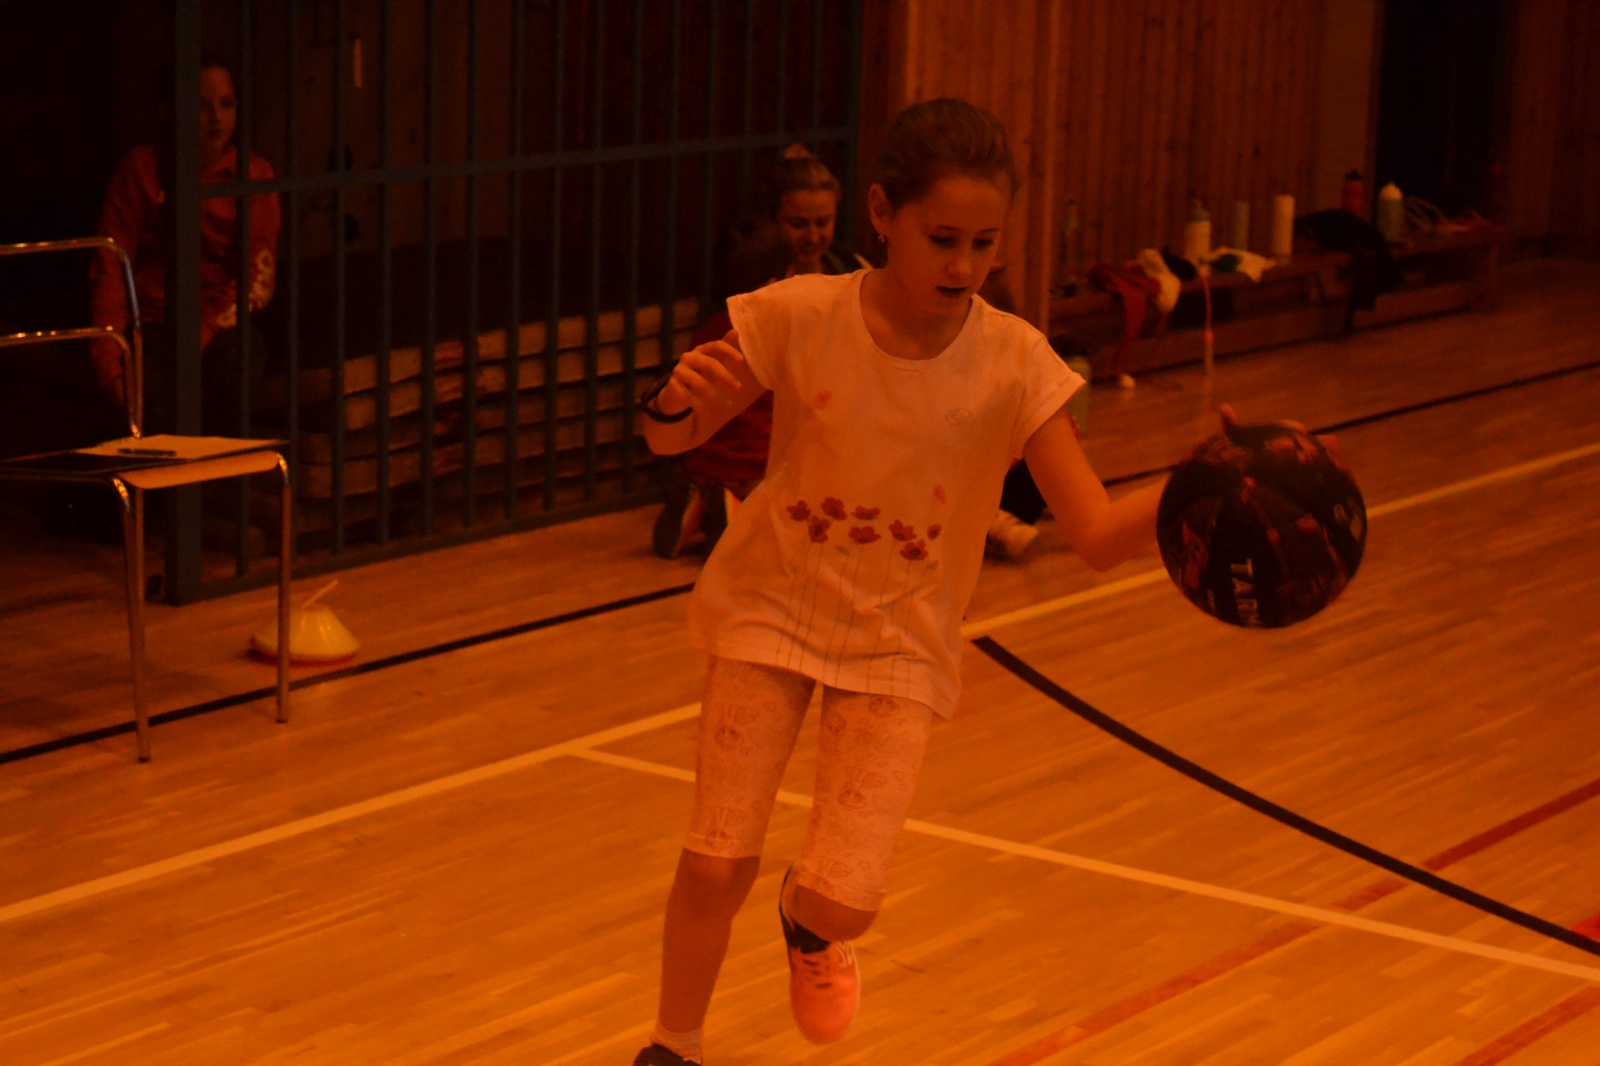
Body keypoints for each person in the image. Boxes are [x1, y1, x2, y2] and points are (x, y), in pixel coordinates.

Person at [629, 98, 1195, 1065]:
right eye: (943, 239)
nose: (964, 266)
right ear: (884, 214)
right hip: (771, 606)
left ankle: (809, 926)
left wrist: (1200, 487)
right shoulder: (799, 313)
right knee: (715, 856)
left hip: (898, 642)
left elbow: (1097, 535)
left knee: (845, 899)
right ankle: (673, 1044)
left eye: (984, 244)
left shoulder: (1016, 362)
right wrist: (672, 404)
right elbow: (669, 435)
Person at [652, 145, 860, 559]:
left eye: (823, 222)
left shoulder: (851, 271)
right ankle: (730, 509)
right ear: (773, 221)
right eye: (798, 224)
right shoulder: (751, 283)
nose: (813, 236)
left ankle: (711, 499)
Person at [88, 51, 281, 436]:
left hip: (221, 322)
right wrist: (109, 359)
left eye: (227, 104)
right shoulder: (142, 170)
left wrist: (204, 329)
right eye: (200, 106)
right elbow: (111, 265)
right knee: (152, 405)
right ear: (168, 111)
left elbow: (256, 276)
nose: (217, 118)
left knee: (237, 370)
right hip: (153, 322)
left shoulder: (252, 175)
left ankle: (218, 472)